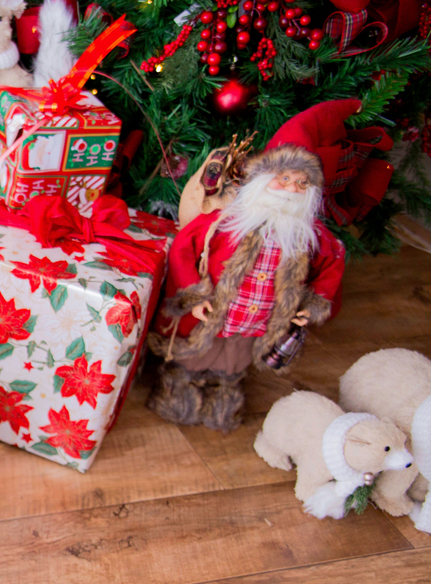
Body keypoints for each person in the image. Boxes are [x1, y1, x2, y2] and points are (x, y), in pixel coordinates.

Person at [146, 142, 346, 432]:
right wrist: (193, 294)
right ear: (263, 181)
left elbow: (332, 265)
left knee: (232, 366)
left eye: (303, 183)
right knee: (190, 359)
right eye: (284, 179)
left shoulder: (311, 237)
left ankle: (222, 406)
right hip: (213, 315)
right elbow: (183, 248)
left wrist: (310, 303)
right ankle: (177, 399)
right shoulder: (225, 223)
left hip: (255, 325)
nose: (291, 190)